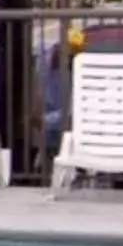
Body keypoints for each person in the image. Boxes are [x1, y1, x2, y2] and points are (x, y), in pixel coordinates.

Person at [40, 22, 87, 157]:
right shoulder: (46, 65)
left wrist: (43, 120)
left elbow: (71, 112)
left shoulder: (77, 76)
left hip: (67, 133)